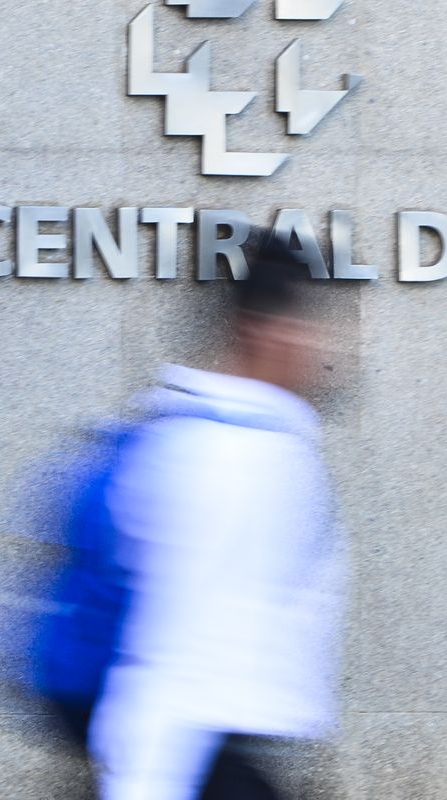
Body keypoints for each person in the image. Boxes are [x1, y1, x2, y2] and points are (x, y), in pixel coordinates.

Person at [77, 233, 348, 800]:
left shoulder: (256, 437)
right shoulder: (220, 449)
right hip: (188, 751)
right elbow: (174, 635)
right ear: (263, 331)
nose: (322, 350)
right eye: (308, 328)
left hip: (216, 743)